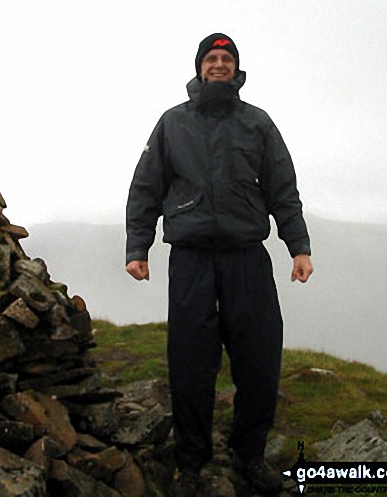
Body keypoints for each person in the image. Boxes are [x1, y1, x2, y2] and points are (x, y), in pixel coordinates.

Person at [126, 33, 313, 496]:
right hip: (190, 259)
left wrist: (299, 246)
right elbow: (146, 187)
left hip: (247, 256)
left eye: (226, 58)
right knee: (189, 362)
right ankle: (191, 461)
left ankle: (249, 455)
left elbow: (282, 188)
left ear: (236, 69)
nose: (219, 64)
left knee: (259, 359)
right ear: (199, 68)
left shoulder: (258, 123)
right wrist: (137, 247)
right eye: (211, 58)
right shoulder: (172, 124)